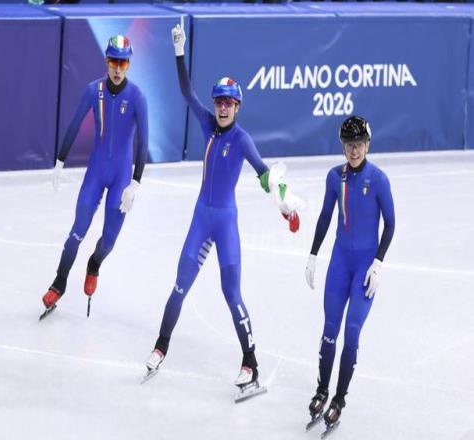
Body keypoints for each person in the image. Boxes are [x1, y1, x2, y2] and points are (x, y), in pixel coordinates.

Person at [144, 19, 303, 393]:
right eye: (218, 102)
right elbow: (186, 91)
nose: (222, 108)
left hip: (225, 222)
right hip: (202, 218)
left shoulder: (242, 140)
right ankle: (161, 346)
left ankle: (251, 362)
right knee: (180, 286)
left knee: (231, 294)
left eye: (228, 103)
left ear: (238, 107)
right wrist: (179, 52)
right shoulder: (206, 124)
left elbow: (266, 175)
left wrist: (286, 208)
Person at [41, 35, 148, 315]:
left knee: (109, 241)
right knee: (77, 231)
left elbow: (143, 143)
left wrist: (135, 182)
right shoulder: (93, 90)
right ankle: (59, 283)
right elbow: (74, 125)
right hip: (96, 173)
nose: (117, 69)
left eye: (123, 63)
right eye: (114, 62)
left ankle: (94, 264)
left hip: (121, 178)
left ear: (129, 65)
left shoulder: (137, 97)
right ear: (106, 61)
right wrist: (60, 161)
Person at [304, 116, 395, 429]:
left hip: (364, 268)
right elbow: (325, 217)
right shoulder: (335, 177)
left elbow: (391, 224)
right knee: (330, 328)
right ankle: (322, 390)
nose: (353, 150)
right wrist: (313, 254)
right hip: (340, 263)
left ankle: (339, 398)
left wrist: (378, 262)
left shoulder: (379, 179)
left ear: (367, 145)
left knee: (352, 333)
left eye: (358, 144)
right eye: (348, 145)